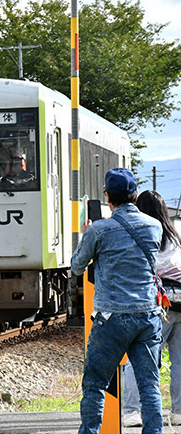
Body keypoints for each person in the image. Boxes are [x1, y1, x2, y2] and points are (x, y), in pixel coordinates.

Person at [71, 168, 164, 434]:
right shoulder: (154, 226)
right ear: (135, 195)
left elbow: (77, 267)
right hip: (148, 315)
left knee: (95, 384)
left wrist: (86, 233)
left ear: (107, 197)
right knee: (149, 385)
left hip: (111, 317)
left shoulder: (100, 229)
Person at [123, 189, 181, 427]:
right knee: (179, 361)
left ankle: (132, 412)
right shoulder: (176, 234)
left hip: (158, 305)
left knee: (141, 356)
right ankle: (179, 412)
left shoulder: (144, 234)